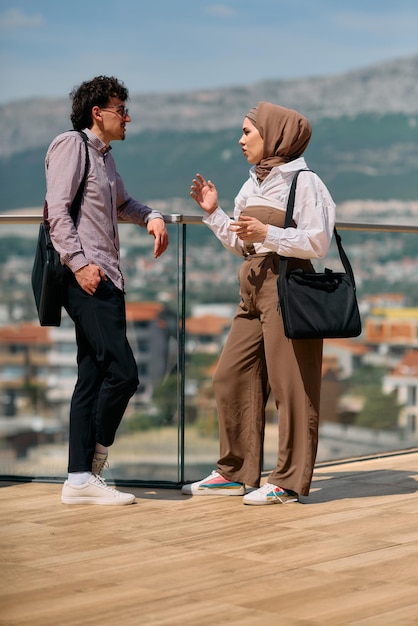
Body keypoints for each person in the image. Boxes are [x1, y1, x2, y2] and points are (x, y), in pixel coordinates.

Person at [182, 102, 335, 505]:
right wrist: (215, 214)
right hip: (251, 288)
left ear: (274, 134)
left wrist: (269, 232)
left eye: (248, 131)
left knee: (293, 387)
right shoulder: (253, 184)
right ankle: (235, 472)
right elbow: (242, 243)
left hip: (288, 286)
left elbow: (317, 242)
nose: (240, 139)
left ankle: (287, 481)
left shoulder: (304, 182)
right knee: (230, 376)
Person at [45, 76, 169, 505]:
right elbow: (57, 212)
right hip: (88, 279)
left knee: (92, 377)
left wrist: (151, 215)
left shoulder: (105, 158)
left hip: (107, 278)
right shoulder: (71, 146)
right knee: (124, 372)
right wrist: (79, 266)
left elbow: (121, 204)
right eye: (121, 109)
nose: (127, 117)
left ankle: (78, 479)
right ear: (98, 112)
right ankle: (93, 463)